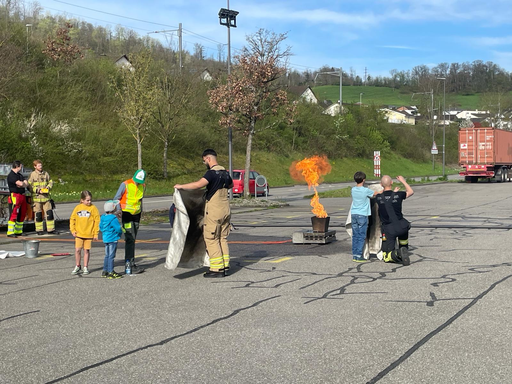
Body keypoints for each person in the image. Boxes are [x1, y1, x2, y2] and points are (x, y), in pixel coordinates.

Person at [174, 149, 233, 278]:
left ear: (207, 158)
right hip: (225, 210)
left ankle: (217, 269)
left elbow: (198, 185)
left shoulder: (211, 174)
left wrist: (181, 186)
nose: (204, 162)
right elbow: (230, 185)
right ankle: (225, 265)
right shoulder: (225, 173)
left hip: (214, 211)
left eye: (204, 160)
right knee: (222, 237)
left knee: (211, 238)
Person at [375, 175, 414, 266]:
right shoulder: (399, 195)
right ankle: (404, 249)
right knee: (403, 240)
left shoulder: (378, 197)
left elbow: (381, 194)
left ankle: (397, 253)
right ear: (392, 183)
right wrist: (403, 181)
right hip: (402, 226)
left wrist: (384, 189)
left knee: (386, 256)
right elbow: (411, 192)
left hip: (389, 229)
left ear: (381, 184)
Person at [114, 169, 146, 274]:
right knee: (129, 238)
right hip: (126, 214)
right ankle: (129, 263)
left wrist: (141, 210)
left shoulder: (142, 186)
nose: (138, 183)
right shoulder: (125, 184)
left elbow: (140, 200)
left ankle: (131, 262)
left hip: (136, 214)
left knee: (133, 238)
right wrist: (118, 209)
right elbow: (116, 198)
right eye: (137, 181)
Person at [350, 171, 379, 262]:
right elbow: (376, 193)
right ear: (364, 180)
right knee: (362, 235)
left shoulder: (353, 189)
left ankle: (354, 254)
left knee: (355, 235)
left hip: (354, 214)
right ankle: (359, 255)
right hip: (362, 215)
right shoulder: (366, 190)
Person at [69, 190, 100, 275]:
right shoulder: (78, 208)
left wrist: (95, 233)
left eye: (90, 200)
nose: (89, 202)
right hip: (79, 233)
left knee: (86, 250)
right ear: (82, 200)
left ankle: (85, 266)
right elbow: (72, 219)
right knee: (78, 249)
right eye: (87, 200)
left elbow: (97, 221)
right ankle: (78, 265)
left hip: (88, 234)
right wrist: (73, 230)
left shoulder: (93, 208)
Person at [28, 159, 55, 235]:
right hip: (36, 198)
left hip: (46, 197)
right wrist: (37, 190)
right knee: (38, 215)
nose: (41, 167)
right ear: (35, 166)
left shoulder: (46, 173)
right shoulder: (32, 175)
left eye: (41, 165)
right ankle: (39, 230)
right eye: (39, 165)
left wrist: (48, 188)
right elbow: (29, 186)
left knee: (49, 213)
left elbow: (50, 182)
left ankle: (51, 229)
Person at [99, 200, 123, 279]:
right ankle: (111, 271)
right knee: (111, 256)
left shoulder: (103, 217)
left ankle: (105, 270)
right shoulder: (113, 218)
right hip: (112, 239)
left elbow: (101, 227)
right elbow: (118, 228)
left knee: (107, 255)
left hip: (106, 238)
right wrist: (120, 233)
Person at [7, 160, 29, 238]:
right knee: (14, 213)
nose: (21, 168)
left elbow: (26, 183)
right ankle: (10, 232)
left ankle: (18, 231)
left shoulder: (19, 175)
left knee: (22, 213)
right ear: (17, 166)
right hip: (15, 195)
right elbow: (20, 183)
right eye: (20, 166)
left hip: (22, 195)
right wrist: (22, 184)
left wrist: (23, 184)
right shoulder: (11, 175)